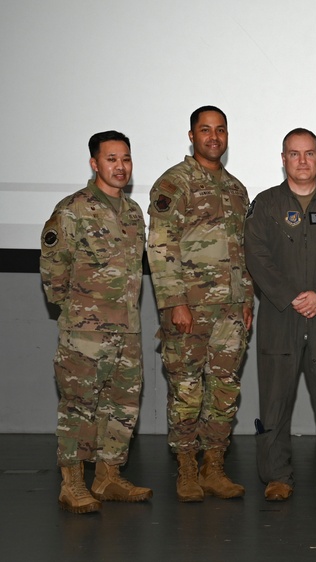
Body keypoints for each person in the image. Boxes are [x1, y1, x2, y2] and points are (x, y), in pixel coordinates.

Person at [244, 128, 316, 502]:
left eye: (309, 153)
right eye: (295, 154)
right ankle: (276, 475)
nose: (303, 161)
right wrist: (292, 296)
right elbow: (256, 256)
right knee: (275, 399)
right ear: (283, 159)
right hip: (281, 316)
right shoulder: (265, 204)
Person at [41, 131, 151, 513]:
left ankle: (107, 476)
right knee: (79, 407)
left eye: (126, 159)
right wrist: (76, 316)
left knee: (123, 405)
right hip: (85, 333)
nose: (120, 167)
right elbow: (54, 273)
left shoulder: (134, 213)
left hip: (129, 328)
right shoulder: (73, 209)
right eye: (111, 159)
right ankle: (72, 483)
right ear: (94, 164)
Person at [148, 105, 254, 502]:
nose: (214, 137)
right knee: (187, 390)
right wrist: (175, 301)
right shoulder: (174, 184)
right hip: (188, 309)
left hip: (231, 310)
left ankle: (214, 467)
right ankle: (187, 468)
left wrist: (246, 298)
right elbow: (160, 245)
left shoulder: (237, 189)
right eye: (205, 130)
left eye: (221, 130)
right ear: (191, 136)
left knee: (224, 389)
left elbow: (244, 251)